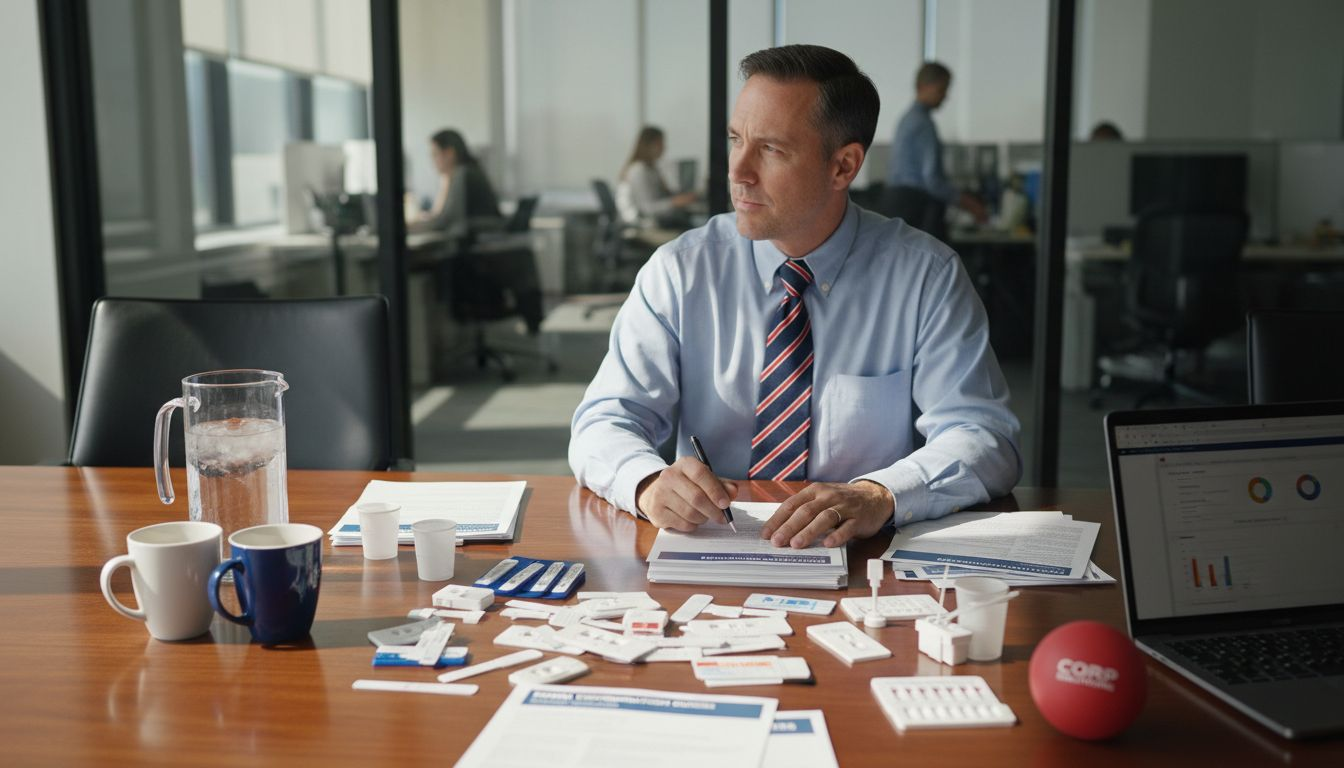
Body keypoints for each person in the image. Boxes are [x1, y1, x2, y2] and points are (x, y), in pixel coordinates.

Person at [569, 45, 1020, 550]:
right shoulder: (681, 271)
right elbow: (604, 421)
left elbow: (984, 437)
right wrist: (647, 482)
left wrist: (880, 494)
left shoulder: (925, 277)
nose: (738, 171)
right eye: (736, 140)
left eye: (771, 150)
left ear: (843, 167)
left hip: (858, 562)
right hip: (712, 552)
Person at [883, 62, 987, 241]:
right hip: (915, 207)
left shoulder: (907, 118)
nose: (945, 96)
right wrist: (971, 205)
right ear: (923, 87)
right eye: (942, 89)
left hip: (898, 202)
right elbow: (932, 181)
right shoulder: (923, 124)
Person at [408, 128, 503, 238]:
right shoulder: (468, 170)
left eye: (435, 154)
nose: (432, 161)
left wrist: (406, 227)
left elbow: (446, 221)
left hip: (479, 243)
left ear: (449, 153)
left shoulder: (462, 173)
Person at [616, 126, 698, 229]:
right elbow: (647, 209)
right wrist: (674, 202)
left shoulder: (651, 169)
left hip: (654, 221)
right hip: (643, 225)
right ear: (649, 145)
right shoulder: (639, 171)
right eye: (660, 143)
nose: (664, 148)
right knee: (693, 226)